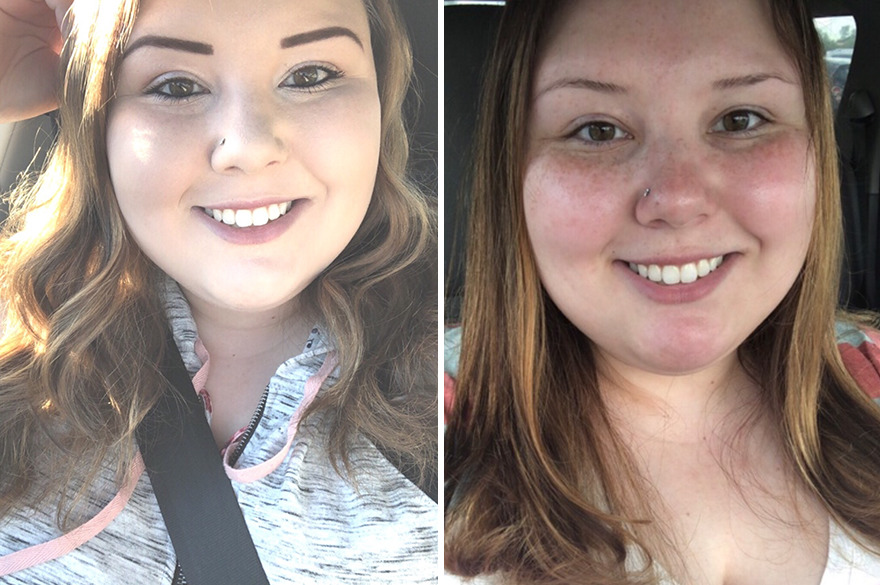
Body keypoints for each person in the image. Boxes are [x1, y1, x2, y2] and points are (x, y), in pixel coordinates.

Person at [0, 0, 437, 582]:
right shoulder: (22, 364)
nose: (249, 145)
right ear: (95, 123)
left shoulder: (464, 407)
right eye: (176, 86)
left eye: (310, 75)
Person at [444, 0, 880, 584]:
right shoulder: (409, 426)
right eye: (597, 130)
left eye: (741, 119)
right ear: (513, 171)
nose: (677, 199)